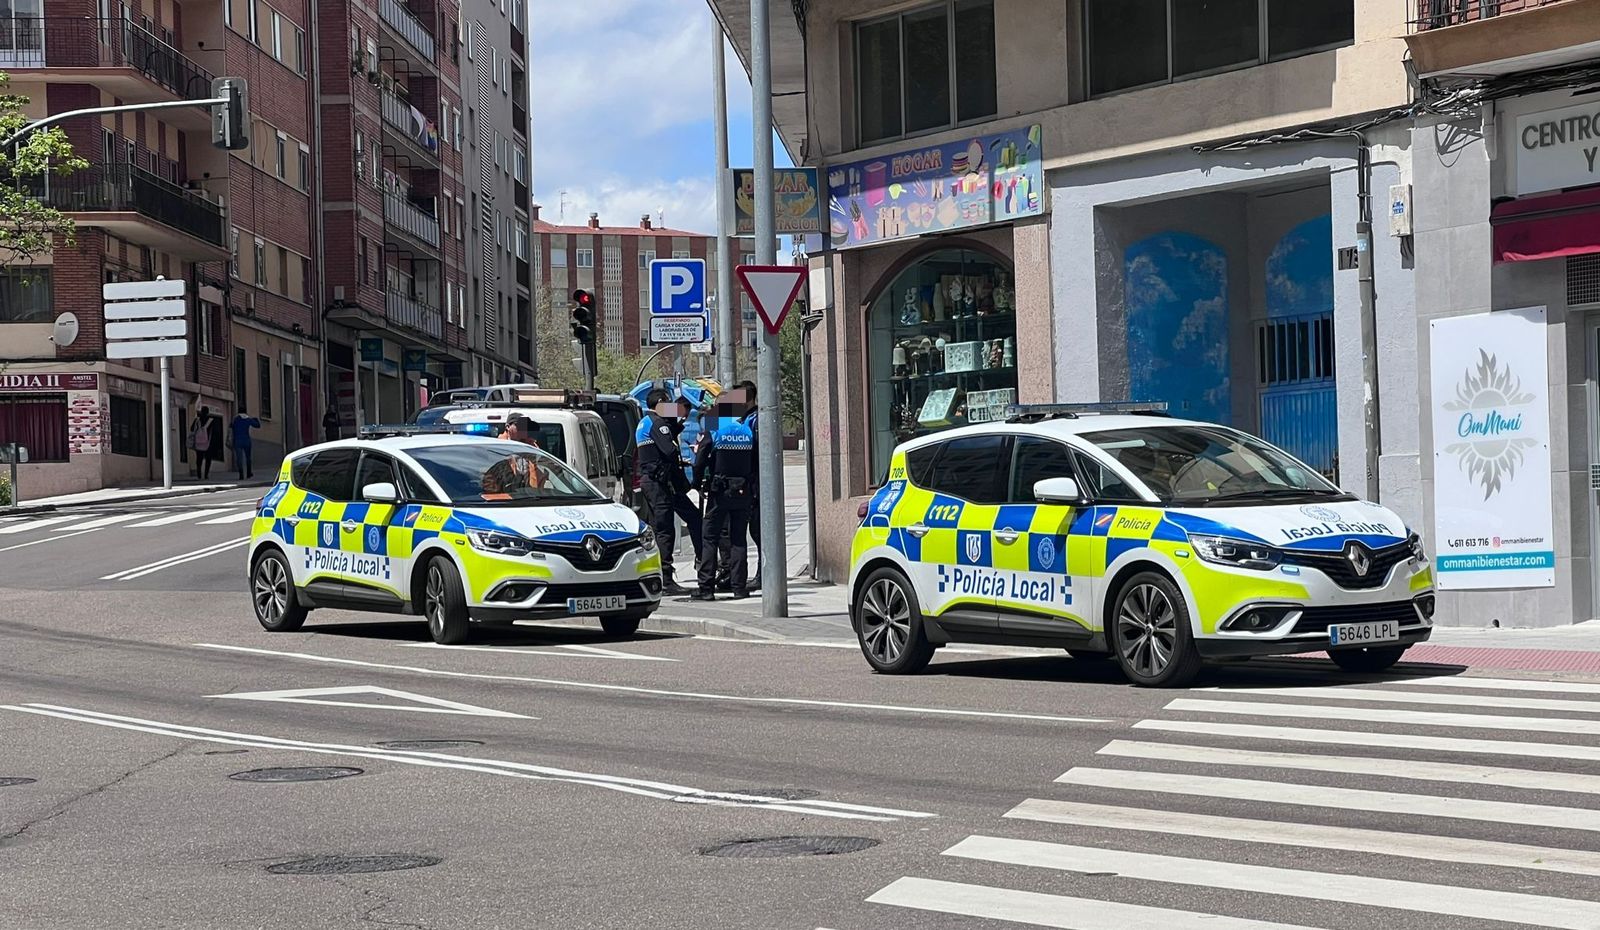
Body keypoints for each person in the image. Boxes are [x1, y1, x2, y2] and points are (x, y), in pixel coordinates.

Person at [635, 388, 701, 595]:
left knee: (678, 522)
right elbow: (669, 451)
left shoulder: (646, 422)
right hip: (659, 482)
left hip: (656, 482)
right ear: (662, 403)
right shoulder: (657, 424)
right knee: (664, 530)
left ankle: (667, 573)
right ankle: (665, 577)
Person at [692, 400, 756, 600]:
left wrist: (696, 483)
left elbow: (700, 460)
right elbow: (754, 462)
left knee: (709, 537)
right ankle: (738, 587)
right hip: (743, 490)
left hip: (719, 492)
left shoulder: (715, 431)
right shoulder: (747, 432)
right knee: (738, 539)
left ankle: (706, 589)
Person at [230, 408, 261, 480]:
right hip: (246, 440)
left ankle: (241, 474)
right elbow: (257, 425)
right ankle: (249, 473)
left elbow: (231, 427)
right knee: (248, 457)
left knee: (239, 458)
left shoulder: (235, 419)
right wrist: (256, 419)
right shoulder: (248, 419)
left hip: (237, 440)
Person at [189, 406, 215, 480]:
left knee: (199, 459)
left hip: (198, 442)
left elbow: (191, 428)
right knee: (208, 459)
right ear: (208, 412)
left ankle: (199, 474)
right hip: (208, 443)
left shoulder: (197, 420)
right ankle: (206, 475)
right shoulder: (211, 420)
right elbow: (215, 433)